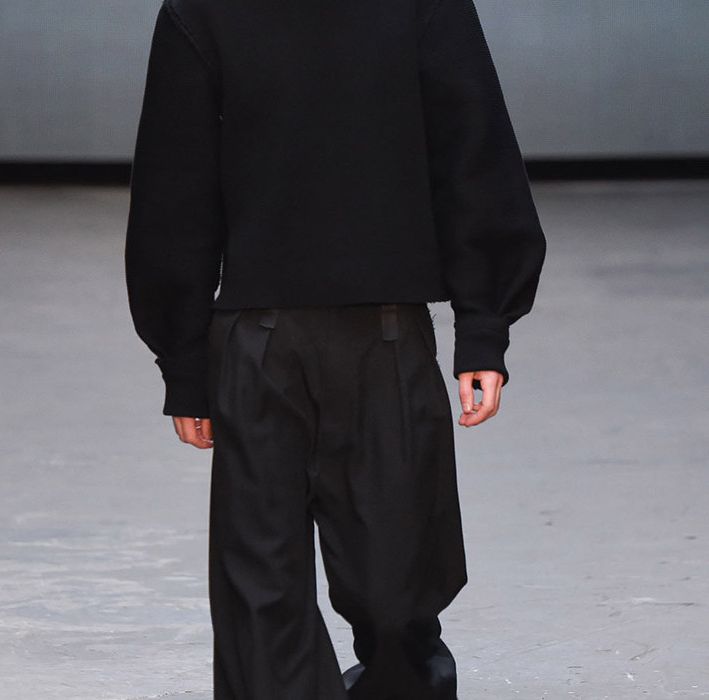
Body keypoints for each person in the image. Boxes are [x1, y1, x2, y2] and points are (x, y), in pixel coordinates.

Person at [125, 0, 545, 697]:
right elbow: (176, 189)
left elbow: (472, 150)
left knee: (397, 594)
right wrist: (184, 367)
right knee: (262, 598)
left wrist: (483, 328)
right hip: (262, 341)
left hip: (381, 335)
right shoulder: (203, 11)